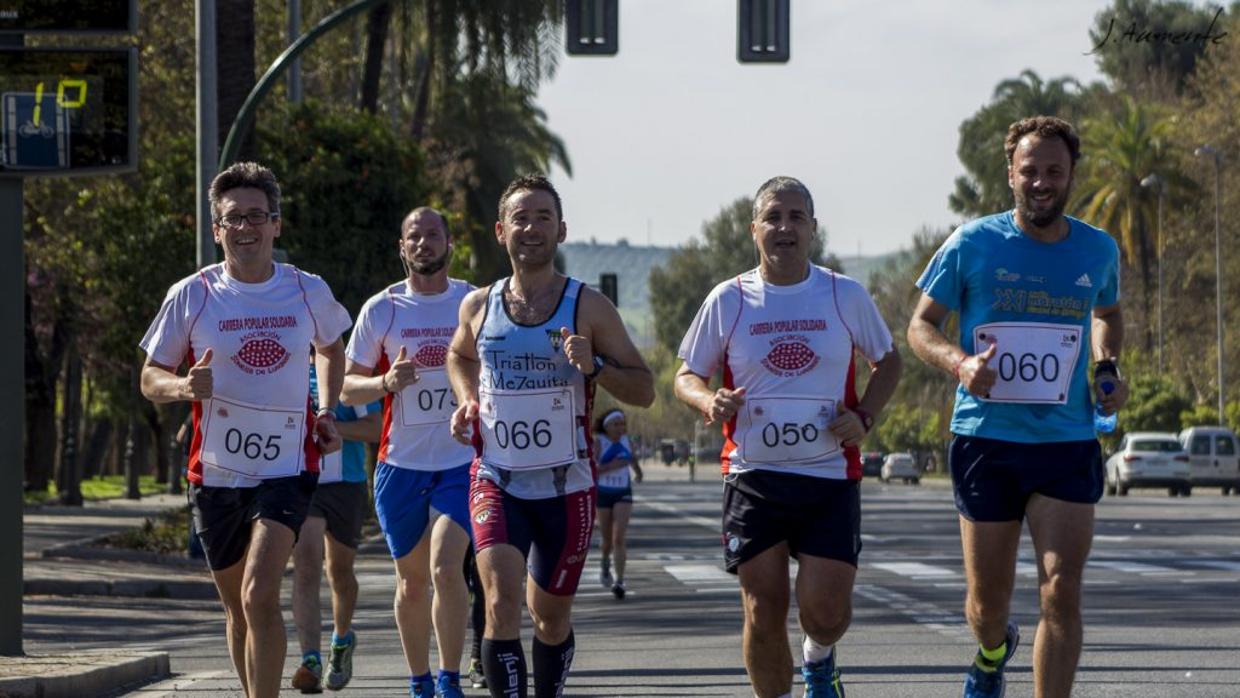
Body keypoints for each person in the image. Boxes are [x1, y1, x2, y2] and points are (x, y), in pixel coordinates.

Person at [906, 116, 1126, 698]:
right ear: (1010, 175)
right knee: (987, 604)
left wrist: (1106, 368)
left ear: (1071, 175)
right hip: (987, 439)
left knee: (1061, 588)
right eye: (1030, 171)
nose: (1041, 181)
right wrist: (961, 365)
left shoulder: (1098, 249)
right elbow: (920, 326)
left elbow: (1107, 312)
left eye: (1054, 170)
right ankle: (990, 652)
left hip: (1066, 440)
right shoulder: (973, 243)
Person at [673, 176, 901, 698]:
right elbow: (686, 376)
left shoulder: (843, 294)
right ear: (755, 230)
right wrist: (709, 400)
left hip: (827, 476)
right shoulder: (728, 299)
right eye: (773, 218)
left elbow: (888, 361)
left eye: (796, 217)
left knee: (825, 614)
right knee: (763, 607)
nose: (785, 228)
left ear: (813, 230)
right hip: (754, 476)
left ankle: (819, 658)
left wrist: (864, 415)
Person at [139, 162, 351, 698]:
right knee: (237, 609)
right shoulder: (192, 294)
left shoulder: (306, 289)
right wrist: (184, 388)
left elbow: (331, 347)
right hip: (215, 471)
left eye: (258, 216)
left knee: (260, 594)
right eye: (234, 218)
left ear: (276, 225)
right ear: (217, 229)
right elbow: (149, 377)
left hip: (286, 465)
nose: (246, 227)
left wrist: (325, 408)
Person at [447, 174, 655, 698]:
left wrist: (597, 365)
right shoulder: (479, 305)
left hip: (567, 485)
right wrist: (467, 397)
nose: (531, 228)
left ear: (561, 231)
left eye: (543, 217)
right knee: (500, 601)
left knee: (550, 618)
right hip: (497, 477)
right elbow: (458, 355)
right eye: (520, 217)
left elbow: (646, 389)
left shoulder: (587, 307)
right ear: (501, 231)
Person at [341, 206, 476, 698]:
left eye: (433, 235)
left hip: (461, 462)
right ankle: (419, 680)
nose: (423, 243)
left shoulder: (472, 301)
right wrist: (384, 381)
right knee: (413, 582)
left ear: (449, 243)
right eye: (414, 236)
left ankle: (450, 678)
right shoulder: (382, 309)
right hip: (400, 464)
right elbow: (345, 388)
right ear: (402, 248)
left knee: (446, 567)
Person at [289, 355, 382, 693]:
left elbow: (376, 426)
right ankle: (310, 658)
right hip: (304, 482)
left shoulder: (347, 376)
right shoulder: (288, 369)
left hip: (346, 484)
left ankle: (342, 639)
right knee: (306, 564)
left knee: (339, 573)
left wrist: (332, 428)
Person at [593, 408, 643, 600]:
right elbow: (593, 470)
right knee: (606, 541)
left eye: (622, 424)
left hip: (623, 492)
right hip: (603, 493)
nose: (620, 428)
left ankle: (620, 580)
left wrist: (638, 472)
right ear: (607, 426)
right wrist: (611, 466)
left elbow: (633, 460)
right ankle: (605, 563)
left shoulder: (626, 441)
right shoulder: (599, 442)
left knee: (619, 538)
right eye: (616, 424)